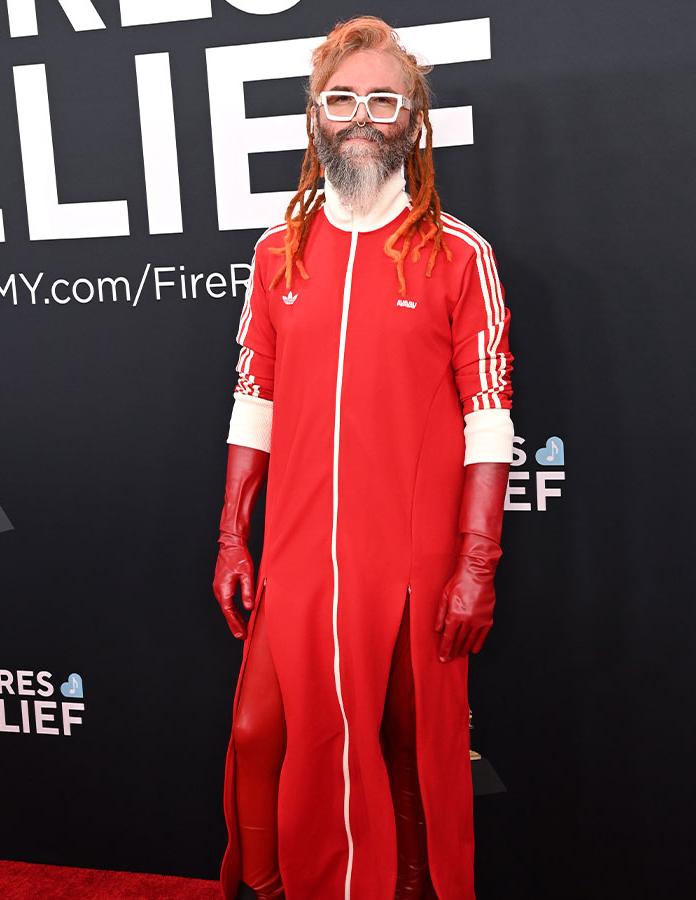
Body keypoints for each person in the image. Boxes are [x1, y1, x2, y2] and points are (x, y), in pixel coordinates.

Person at [213, 16, 514, 900]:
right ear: (315, 118)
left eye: (382, 99)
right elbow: (251, 400)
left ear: (413, 120)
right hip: (300, 557)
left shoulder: (460, 255)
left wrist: (477, 563)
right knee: (259, 736)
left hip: (408, 563)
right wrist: (235, 536)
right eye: (341, 98)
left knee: (404, 753)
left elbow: (489, 418)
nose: (360, 115)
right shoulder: (278, 252)